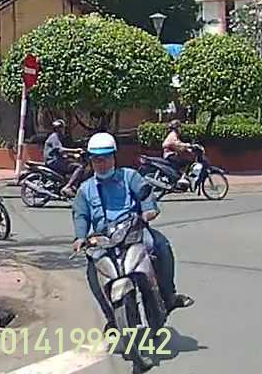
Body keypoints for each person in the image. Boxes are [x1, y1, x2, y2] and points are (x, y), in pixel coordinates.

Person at [72, 132, 194, 329]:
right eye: (96, 160)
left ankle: (169, 296)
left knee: (161, 245)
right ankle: (111, 318)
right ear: (91, 161)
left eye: (105, 158)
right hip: (104, 239)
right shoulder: (85, 189)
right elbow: (81, 215)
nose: (101, 164)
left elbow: (145, 196)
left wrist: (148, 211)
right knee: (93, 272)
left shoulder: (130, 177)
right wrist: (79, 237)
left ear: (114, 157)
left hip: (133, 231)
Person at [44, 119, 84, 198]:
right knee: (79, 167)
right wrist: (75, 150)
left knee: (71, 162)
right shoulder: (54, 137)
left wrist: (72, 155)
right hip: (53, 161)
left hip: (56, 160)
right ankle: (68, 187)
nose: (63, 130)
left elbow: (60, 152)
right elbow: (60, 150)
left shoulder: (58, 137)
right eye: (61, 128)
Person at [162, 119, 197, 188]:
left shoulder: (174, 135)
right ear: (176, 128)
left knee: (183, 162)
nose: (180, 129)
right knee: (187, 161)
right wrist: (187, 145)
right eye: (179, 127)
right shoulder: (173, 134)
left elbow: (178, 146)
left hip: (171, 154)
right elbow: (177, 143)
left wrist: (187, 149)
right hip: (170, 155)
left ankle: (180, 177)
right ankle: (181, 178)